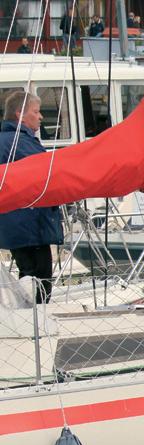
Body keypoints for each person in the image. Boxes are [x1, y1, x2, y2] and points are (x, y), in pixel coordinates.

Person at [0, 91, 63, 304]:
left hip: (18, 226)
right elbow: (48, 173)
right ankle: (35, 320)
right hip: (30, 227)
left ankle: (28, 317)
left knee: (28, 277)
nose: (41, 116)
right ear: (20, 115)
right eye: (36, 112)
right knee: (39, 282)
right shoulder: (19, 143)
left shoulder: (9, 141)